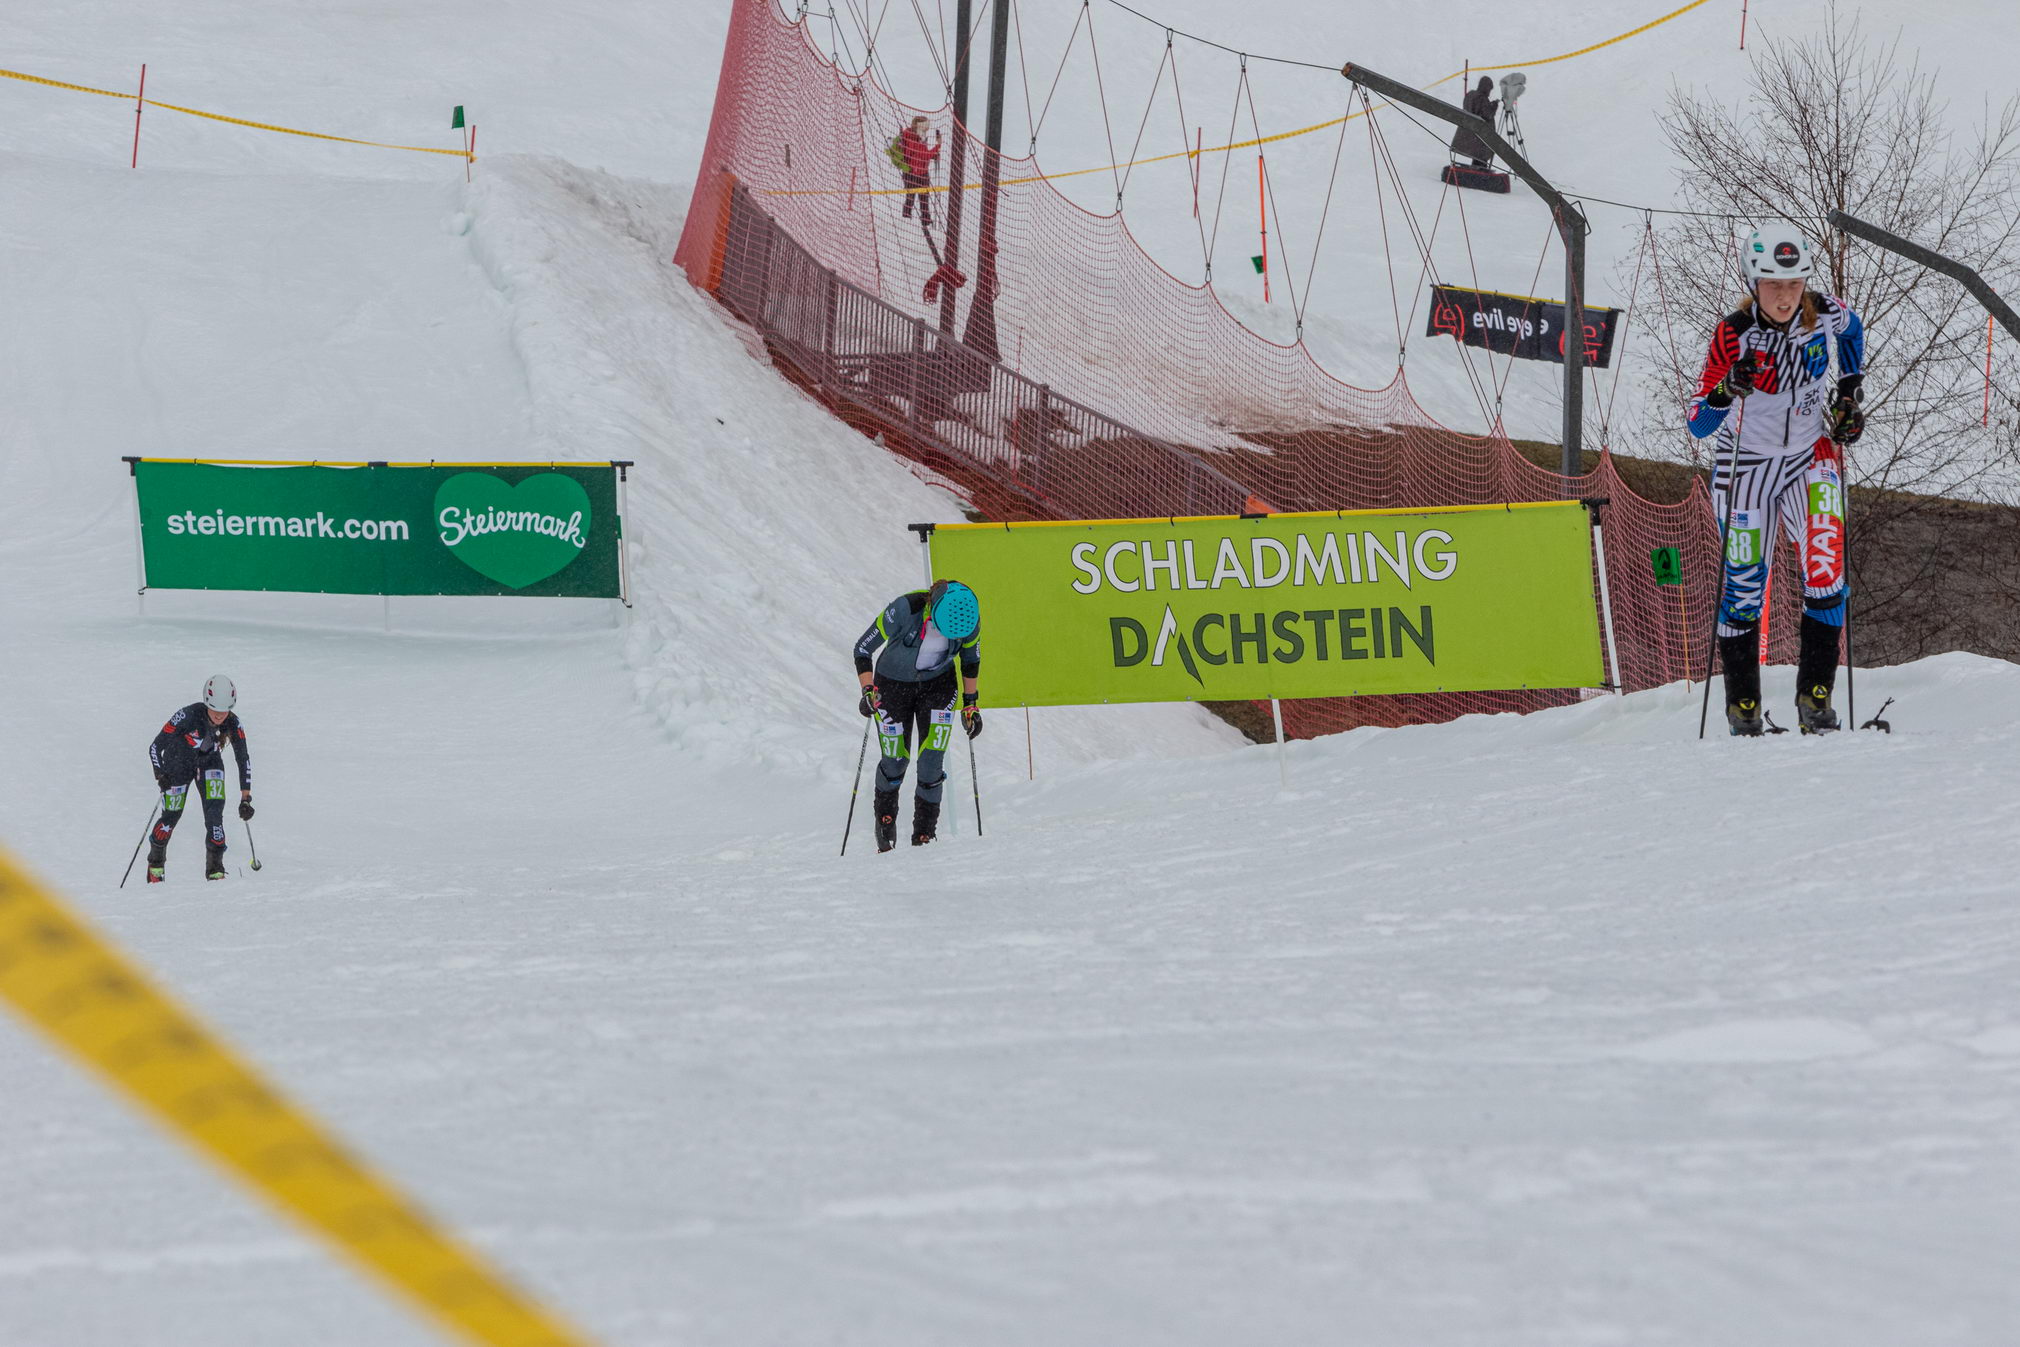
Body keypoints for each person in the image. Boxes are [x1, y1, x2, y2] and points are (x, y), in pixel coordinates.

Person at [1686, 222, 1866, 736]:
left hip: (1810, 455)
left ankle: (1816, 697)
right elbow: (1698, 421)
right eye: (1772, 285)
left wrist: (1849, 395)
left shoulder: (1826, 312)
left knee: (1826, 569)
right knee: (1744, 585)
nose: (1785, 296)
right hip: (1748, 464)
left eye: (1793, 284)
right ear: (1753, 282)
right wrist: (1726, 389)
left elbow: (1854, 334)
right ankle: (1742, 704)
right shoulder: (1733, 333)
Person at [853, 579, 982, 851]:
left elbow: (970, 660)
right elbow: (863, 649)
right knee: (895, 759)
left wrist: (971, 704)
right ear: (932, 611)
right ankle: (885, 819)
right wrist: (867, 691)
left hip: (939, 687)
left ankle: (924, 833)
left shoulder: (969, 620)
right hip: (891, 685)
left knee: (931, 760)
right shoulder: (905, 608)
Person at [146, 675, 253, 881]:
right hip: (177, 765)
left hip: (209, 763)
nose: (220, 716)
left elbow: (243, 758)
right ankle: (156, 866)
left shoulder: (233, 722)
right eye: (215, 710)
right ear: (206, 703)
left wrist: (245, 798)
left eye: (225, 710)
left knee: (215, 815)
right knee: (171, 815)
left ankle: (216, 870)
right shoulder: (187, 715)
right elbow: (155, 747)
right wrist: (160, 773)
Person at [897, 115, 941, 227]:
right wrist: (938, 145)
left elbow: (922, 154)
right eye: (926, 126)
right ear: (920, 126)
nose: (927, 128)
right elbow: (923, 154)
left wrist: (933, 155)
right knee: (911, 197)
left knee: (923, 197)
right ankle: (906, 219)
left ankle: (925, 220)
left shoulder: (920, 136)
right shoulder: (911, 137)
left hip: (921, 171)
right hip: (912, 172)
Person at [1450, 76, 1499, 169]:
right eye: (1489, 89)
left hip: (1468, 131)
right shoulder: (1482, 98)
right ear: (1486, 87)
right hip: (1479, 134)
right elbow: (1487, 115)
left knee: (1478, 155)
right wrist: (1494, 106)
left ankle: (1477, 171)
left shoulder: (1470, 95)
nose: (1489, 92)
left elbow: (1474, 110)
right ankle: (1480, 174)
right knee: (1481, 156)